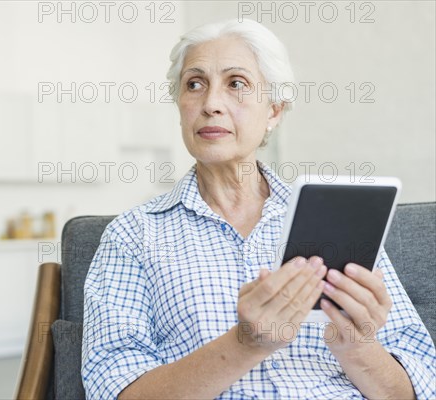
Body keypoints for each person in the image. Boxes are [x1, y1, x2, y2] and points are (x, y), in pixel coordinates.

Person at [81, 18, 436, 399]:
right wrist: (245, 344)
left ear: (274, 111)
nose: (211, 104)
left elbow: (419, 389)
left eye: (236, 84)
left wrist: (357, 346)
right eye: (194, 84)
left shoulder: (342, 222)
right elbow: (112, 390)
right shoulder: (134, 235)